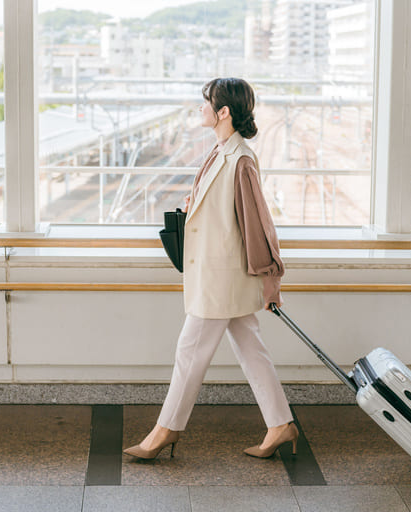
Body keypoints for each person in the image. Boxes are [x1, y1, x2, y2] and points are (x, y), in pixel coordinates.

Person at [123, 77, 298, 460]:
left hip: (224, 279)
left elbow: (259, 224)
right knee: (252, 349)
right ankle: (281, 424)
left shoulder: (241, 160)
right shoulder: (222, 152)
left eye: (206, 103)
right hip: (220, 277)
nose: (200, 108)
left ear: (224, 112)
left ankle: (164, 431)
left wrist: (271, 281)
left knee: (190, 350)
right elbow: (224, 213)